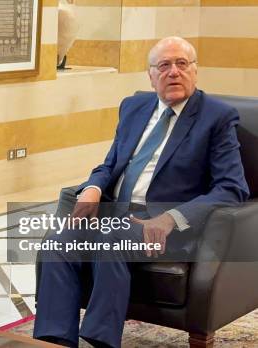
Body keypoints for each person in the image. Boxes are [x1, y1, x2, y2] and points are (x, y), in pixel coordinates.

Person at [34, 36, 249, 348]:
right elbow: (110, 164)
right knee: (57, 242)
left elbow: (232, 188)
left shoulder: (217, 117)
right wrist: (93, 187)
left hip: (166, 224)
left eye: (182, 64)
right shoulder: (134, 107)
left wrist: (172, 218)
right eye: (164, 65)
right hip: (116, 214)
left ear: (195, 71)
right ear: (151, 76)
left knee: (111, 239)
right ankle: (53, 341)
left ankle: (102, 341)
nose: (173, 72)